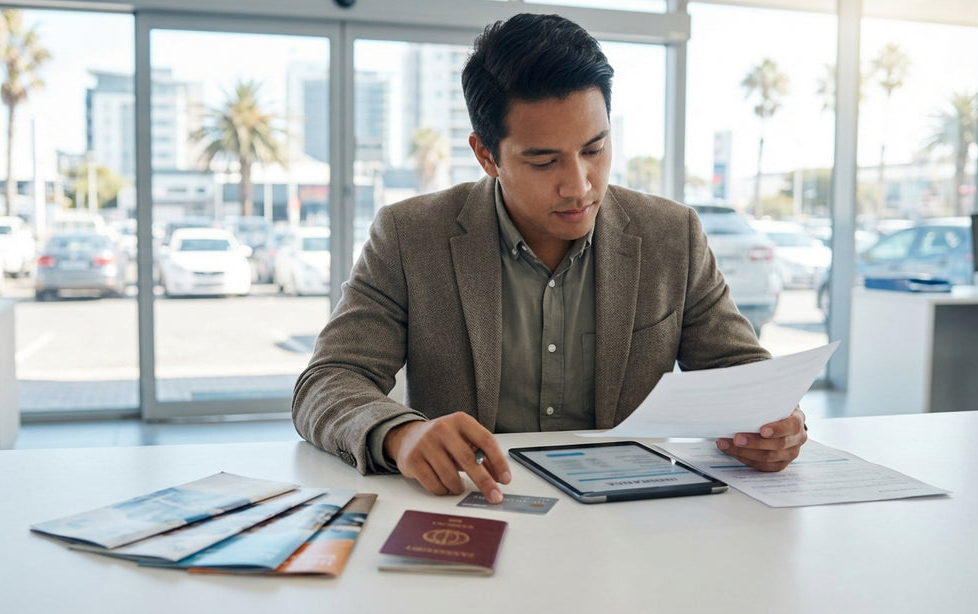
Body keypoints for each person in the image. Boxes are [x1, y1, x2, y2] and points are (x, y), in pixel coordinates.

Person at [292, 12, 807, 504]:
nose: (579, 185)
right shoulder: (410, 237)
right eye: (544, 161)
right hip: (475, 509)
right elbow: (329, 381)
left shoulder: (672, 235)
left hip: (632, 526)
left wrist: (773, 427)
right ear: (486, 155)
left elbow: (741, 373)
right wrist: (402, 435)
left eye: (594, 148)